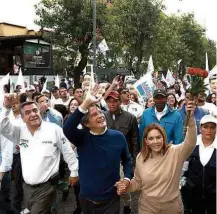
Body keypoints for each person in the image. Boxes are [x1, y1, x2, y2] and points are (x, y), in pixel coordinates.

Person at [0, 95, 79, 214]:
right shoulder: (19, 132)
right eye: (27, 112)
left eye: (35, 110)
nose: (32, 114)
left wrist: (74, 171)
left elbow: (67, 150)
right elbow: (2, 127)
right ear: (23, 118)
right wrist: (6, 107)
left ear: (39, 112)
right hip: (27, 187)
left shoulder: (53, 129)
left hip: (47, 186)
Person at [116, 101, 197, 214]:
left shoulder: (175, 152)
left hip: (171, 207)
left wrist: (191, 120)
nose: (155, 142)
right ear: (146, 141)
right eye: (151, 138)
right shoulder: (141, 157)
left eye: (158, 137)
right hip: (147, 207)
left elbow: (190, 143)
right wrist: (126, 185)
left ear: (164, 138)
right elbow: (138, 182)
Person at [63, 85, 133, 214]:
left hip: (111, 200)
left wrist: (127, 179)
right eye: (94, 115)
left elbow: (127, 161)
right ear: (86, 124)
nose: (100, 116)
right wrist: (86, 103)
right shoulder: (82, 137)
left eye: (100, 112)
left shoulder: (118, 137)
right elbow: (67, 128)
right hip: (87, 200)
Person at [105, 90, 139, 214]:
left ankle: (127, 205)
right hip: (107, 159)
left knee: (124, 185)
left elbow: (135, 141)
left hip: (124, 159)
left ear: (120, 101)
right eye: (109, 101)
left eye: (114, 101)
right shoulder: (102, 117)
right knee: (108, 185)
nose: (112, 104)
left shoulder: (130, 118)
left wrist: (134, 161)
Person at [181, 115, 217, 214]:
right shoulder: (192, 144)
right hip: (193, 193)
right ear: (200, 128)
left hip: (214, 195)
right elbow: (184, 166)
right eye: (205, 127)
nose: (209, 130)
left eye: (212, 127)